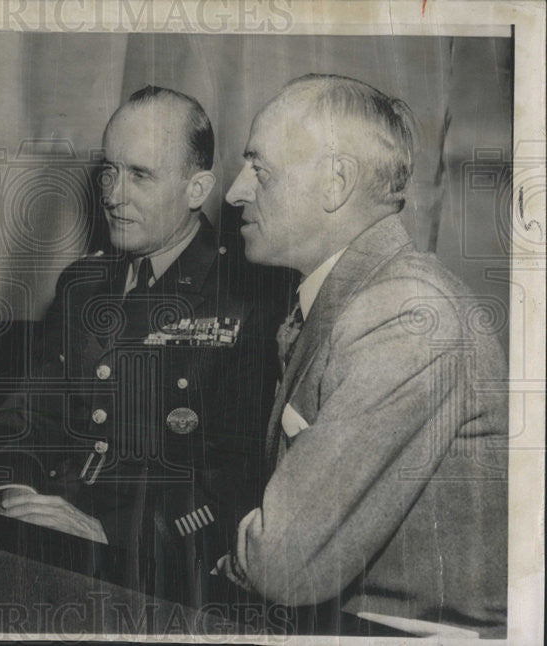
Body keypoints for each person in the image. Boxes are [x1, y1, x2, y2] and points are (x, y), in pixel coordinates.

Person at [216, 74, 508, 638]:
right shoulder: (357, 296)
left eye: (259, 168)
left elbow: (285, 563)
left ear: (335, 183)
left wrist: (249, 553)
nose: (234, 192)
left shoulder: (403, 313)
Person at [0, 86, 286, 605]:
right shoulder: (83, 284)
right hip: (43, 538)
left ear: (197, 189)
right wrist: (18, 493)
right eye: (110, 169)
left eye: (140, 175)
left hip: (165, 572)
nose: (112, 194)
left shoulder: (253, 300)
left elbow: (243, 478)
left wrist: (116, 535)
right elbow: (27, 417)